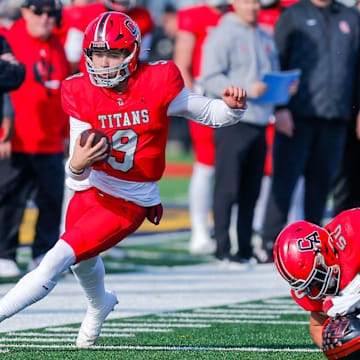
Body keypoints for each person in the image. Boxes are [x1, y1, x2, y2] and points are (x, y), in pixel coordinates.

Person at [0, 11, 247, 347]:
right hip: (90, 188)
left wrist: (232, 109)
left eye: (113, 54)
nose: (103, 63)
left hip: (130, 198)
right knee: (82, 261)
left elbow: (206, 111)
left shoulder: (158, 82)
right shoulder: (79, 90)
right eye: (97, 54)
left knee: (56, 259)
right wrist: (76, 166)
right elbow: (77, 168)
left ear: (131, 54)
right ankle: (99, 304)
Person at [261, 0, 360, 261]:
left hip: (336, 116)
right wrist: (280, 107)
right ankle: (270, 242)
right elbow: (277, 61)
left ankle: (315, 246)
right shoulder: (293, 14)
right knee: (284, 182)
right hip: (296, 116)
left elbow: (357, 67)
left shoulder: (350, 16)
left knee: (321, 186)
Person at [201, 0, 282, 264]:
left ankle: (245, 248)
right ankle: (222, 248)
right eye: (247, 1)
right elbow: (210, 77)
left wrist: (283, 89)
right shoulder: (222, 33)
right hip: (232, 122)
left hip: (260, 122)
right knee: (227, 188)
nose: (253, 6)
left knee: (251, 190)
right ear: (234, 3)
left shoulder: (265, 36)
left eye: (257, 1)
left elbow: (273, 75)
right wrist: (245, 88)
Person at [0, 0, 70, 278]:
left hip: (50, 138)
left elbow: (65, 90)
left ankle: (43, 253)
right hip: (15, 138)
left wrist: (67, 133)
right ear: (25, 11)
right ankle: (5, 252)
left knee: (52, 199)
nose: (45, 18)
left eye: (50, 13)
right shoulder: (8, 39)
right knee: (8, 198)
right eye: (38, 11)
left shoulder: (58, 44)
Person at [174, 0, 232, 255]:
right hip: (207, 96)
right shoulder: (193, 16)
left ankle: (230, 227)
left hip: (235, 96)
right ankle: (198, 228)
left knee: (233, 165)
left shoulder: (238, 11)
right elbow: (182, 62)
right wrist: (193, 100)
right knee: (206, 164)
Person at [273, 208, 360, 348]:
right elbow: (317, 326)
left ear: (327, 253)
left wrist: (352, 297)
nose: (314, 290)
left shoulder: (353, 229)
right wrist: (337, 351)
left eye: (316, 279)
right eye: (308, 285)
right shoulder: (313, 290)